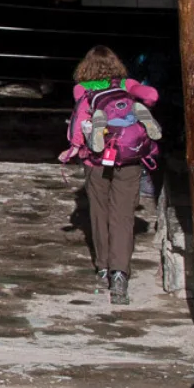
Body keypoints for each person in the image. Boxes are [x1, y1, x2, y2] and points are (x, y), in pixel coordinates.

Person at [60, 45, 161, 305]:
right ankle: (120, 275)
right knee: (123, 216)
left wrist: (73, 150)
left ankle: (103, 267)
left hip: (96, 159)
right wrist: (135, 99)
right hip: (129, 157)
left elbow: (78, 124)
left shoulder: (82, 89)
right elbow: (152, 95)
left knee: (99, 212)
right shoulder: (127, 83)